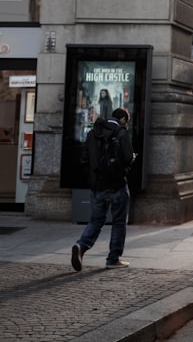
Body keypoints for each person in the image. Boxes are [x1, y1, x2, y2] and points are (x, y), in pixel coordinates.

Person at [71, 107, 135, 271]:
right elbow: (127, 158)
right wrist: (131, 159)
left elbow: (84, 159)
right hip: (117, 185)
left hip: (98, 186)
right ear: (122, 120)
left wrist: (93, 178)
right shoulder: (121, 133)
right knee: (119, 222)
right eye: (126, 121)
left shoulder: (93, 132)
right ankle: (113, 259)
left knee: (96, 220)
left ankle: (81, 246)